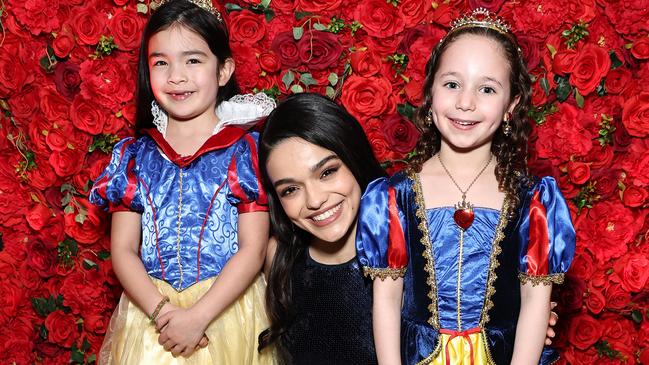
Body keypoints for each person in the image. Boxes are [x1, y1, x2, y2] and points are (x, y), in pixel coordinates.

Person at [356, 8, 576, 365]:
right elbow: (386, 299)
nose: (465, 102)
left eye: (487, 88)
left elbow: (536, 302)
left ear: (511, 105)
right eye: (452, 83)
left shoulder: (533, 200)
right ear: (430, 92)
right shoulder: (393, 198)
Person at [89, 0, 276, 363]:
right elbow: (124, 250)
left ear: (223, 70)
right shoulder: (134, 157)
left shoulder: (245, 151)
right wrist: (164, 315)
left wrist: (198, 317)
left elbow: (252, 250)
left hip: (226, 311)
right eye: (161, 62)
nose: (176, 75)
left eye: (193, 60)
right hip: (151, 318)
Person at [256, 93, 385, 364]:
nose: (315, 200)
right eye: (290, 189)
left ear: (354, 158)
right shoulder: (278, 258)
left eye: (327, 172)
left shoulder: (407, 245)